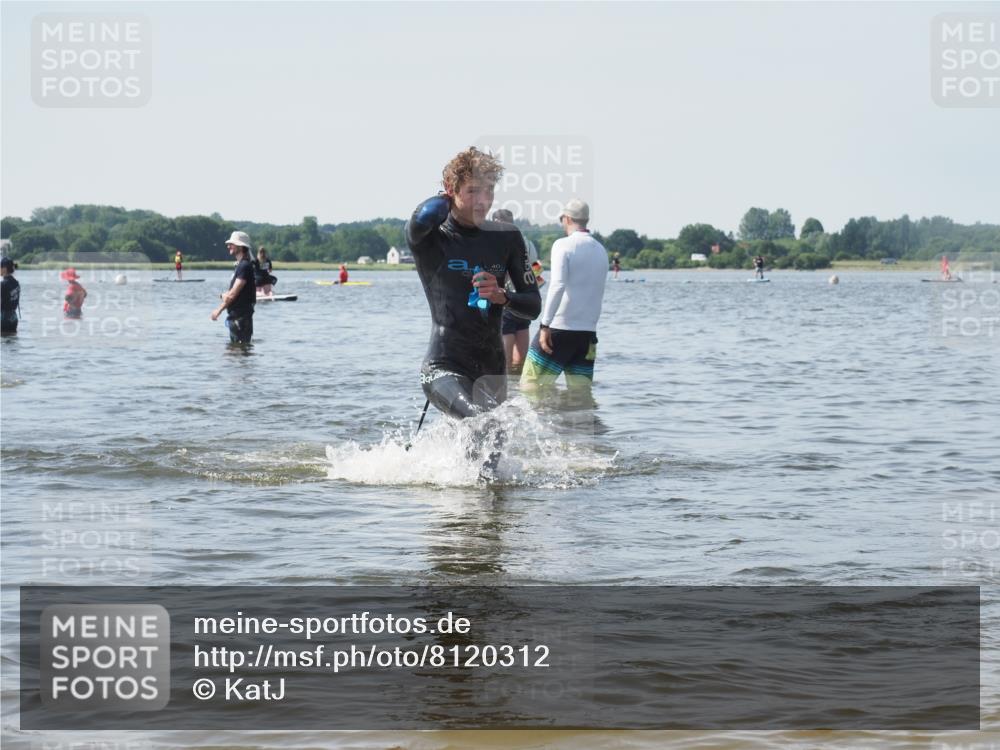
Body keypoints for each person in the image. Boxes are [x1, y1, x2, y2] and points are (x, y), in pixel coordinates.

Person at [405, 146, 541, 425]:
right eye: (473, 191)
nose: (483, 201)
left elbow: (533, 306)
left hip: (491, 370)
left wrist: (503, 296)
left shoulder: (507, 237)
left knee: (491, 445)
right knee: (480, 421)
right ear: (450, 190)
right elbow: (421, 217)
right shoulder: (431, 238)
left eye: (489, 190)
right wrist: (444, 199)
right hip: (442, 367)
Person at [521, 199, 608, 392]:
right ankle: (577, 422)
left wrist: (545, 325)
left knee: (530, 386)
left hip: (559, 329)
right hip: (587, 335)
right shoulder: (601, 250)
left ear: (567, 219)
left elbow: (558, 285)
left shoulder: (563, 245)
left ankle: (542, 422)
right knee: (581, 394)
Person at [492, 208, 541, 375]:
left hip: (507, 301)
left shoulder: (494, 243)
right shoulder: (526, 243)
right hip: (523, 301)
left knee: (507, 359)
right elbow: (535, 270)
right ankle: (516, 390)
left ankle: (510, 390)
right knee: (520, 358)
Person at [211, 231, 256, 344]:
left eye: (232, 244)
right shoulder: (242, 266)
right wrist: (224, 295)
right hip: (239, 317)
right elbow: (234, 293)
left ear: (241, 247)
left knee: (237, 354)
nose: (228, 246)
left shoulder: (244, 266)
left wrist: (218, 310)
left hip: (240, 319)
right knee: (236, 354)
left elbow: (232, 295)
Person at [1, 257, 20, 335]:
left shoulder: (3, 284)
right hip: (14, 319)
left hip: (3, 319)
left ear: (4, 269)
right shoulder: (16, 283)